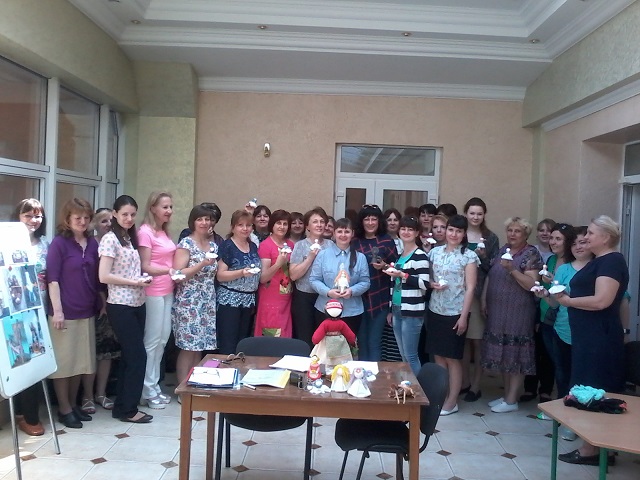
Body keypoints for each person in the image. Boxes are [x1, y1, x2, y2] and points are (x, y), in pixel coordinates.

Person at [554, 216, 629, 466]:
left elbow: (602, 300)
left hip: (600, 338)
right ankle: (599, 447)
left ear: (605, 238)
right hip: (588, 337)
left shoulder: (612, 261)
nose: (586, 237)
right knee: (587, 387)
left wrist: (568, 302)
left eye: (591, 233)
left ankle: (593, 451)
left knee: (595, 388)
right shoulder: (600, 261)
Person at [99, 195, 153, 424]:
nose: (129, 218)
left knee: (131, 357)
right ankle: (128, 410)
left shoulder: (129, 238)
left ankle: (122, 406)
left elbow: (131, 270)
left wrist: (141, 279)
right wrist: (134, 282)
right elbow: (103, 276)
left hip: (137, 302)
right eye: (124, 214)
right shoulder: (110, 239)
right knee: (137, 356)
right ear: (114, 214)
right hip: (120, 304)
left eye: (132, 214)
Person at [47, 198, 101, 428]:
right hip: (65, 312)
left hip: (86, 310)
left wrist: (101, 301)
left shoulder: (92, 243)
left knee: (80, 362)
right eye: (77, 218)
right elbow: (52, 280)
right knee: (64, 364)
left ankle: (73, 404)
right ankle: (64, 408)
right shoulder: (59, 244)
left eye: (86, 218)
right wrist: (57, 311)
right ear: (67, 219)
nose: (82, 221)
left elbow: (97, 277)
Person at [481, 217, 541, 413]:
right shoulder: (503, 250)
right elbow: (491, 275)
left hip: (518, 312)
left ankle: (512, 399)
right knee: (505, 355)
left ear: (526, 234)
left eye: (517, 231)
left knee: (515, 355)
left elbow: (532, 284)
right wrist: (484, 299)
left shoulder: (531, 253)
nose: (512, 234)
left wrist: (512, 269)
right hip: (498, 311)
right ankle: (506, 395)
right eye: (510, 230)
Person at [426, 215, 478, 414]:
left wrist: (464, 317)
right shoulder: (435, 252)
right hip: (435, 309)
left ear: (464, 234)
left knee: (452, 358)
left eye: (458, 231)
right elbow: (428, 278)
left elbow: (471, 287)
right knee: (438, 356)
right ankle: (442, 395)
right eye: (451, 230)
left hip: (456, 312)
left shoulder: (469, 256)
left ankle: (452, 401)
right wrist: (432, 284)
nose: (454, 234)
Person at [522, 223, 574, 404]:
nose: (553, 242)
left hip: (563, 318)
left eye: (558, 239)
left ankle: (557, 398)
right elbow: (546, 289)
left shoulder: (571, 263)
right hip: (545, 313)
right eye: (552, 238)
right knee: (543, 354)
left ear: (568, 242)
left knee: (558, 363)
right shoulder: (551, 260)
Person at [11, 199, 49, 436]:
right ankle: (23, 415)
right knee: (19, 361)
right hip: (14, 311)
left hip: (39, 312)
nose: (33, 221)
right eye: (28, 216)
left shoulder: (45, 244)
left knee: (36, 361)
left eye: (38, 216)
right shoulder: (7, 243)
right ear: (18, 217)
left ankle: (30, 415)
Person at [137, 191, 176, 409]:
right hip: (153, 291)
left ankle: (153, 386)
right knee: (151, 342)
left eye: (170, 207)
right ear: (153, 208)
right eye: (165, 207)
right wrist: (169, 271)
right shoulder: (145, 232)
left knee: (162, 341)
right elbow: (145, 266)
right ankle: (146, 390)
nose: (169, 211)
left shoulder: (164, 232)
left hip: (168, 290)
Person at [172, 204, 218, 385]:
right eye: (200, 219)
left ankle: (194, 386)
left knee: (200, 347)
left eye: (207, 219)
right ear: (193, 222)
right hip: (189, 301)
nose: (204, 222)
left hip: (207, 301)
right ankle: (182, 388)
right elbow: (178, 274)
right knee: (188, 347)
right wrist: (201, 264)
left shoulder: (212, 245)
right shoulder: (186, 244)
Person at [461, 197, 499, 402]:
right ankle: (464, 382)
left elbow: (494, 268)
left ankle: (476, 386)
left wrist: (483, 257)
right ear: (466, 213)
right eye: (472, 213)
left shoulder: (491, 238)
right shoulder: (459, 233)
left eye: (479, 213)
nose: (475, 217)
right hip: (457, 294)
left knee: (477, 341)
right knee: (463, 341)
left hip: (479, 293)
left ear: (484, 215)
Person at [83, 208, 120, 412]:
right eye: (103, 221)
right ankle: (87, 396)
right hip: (92, 303)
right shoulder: (89, 245)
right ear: (95, 224)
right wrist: (101, 301)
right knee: (90, 352)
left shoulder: (118, 242)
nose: (108, 224)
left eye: (110, 220)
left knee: (107, 352)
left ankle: (101, 393)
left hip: (113, 302)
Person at [384, 216, 430, 375]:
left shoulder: (420, 255)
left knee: (411, 356)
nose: (406, 232)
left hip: (412, 311)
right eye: (403, 228)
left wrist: (402, 275)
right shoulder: (400, 255)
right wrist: (390, 310)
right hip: (397, 309)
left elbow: (425, 284)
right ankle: (407, 386)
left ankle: (418, 390)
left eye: (410, 229)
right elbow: (394, 285)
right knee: (403, 355)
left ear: (417, 233)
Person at [310, 218, 370, 335]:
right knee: (325, 344)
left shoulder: (360, 257)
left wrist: (352, 291)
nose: (343, 235)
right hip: (325, 309)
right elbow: (314, 280)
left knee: (349, 344)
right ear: (334, 233)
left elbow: (365, 282)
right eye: (339, 231)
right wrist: (328, 292)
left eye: (347, 231)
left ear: (352, 233)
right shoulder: (322, 255)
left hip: (352, 312)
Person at [352, 205, 397, 361]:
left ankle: (374, 376)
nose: (370, 223)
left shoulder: (387, 241)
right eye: (367, 219)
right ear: (361, 221)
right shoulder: (354, 241)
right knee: (361, 341)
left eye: (374, 219)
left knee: (374, 341)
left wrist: (384, 266)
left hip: (380, 298)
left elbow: (397, 269)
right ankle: (361, 374)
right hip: (358, 298)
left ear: (379, 221)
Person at [216, 210, 261, 353]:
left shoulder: (252, 246)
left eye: (248, 225)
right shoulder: (228, 246)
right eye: (240, 225)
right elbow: (220, 275)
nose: (245, 228)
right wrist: (241, 273)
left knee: (243, 344)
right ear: (233, 227)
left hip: (248, 300)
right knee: (229, 343)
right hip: (230, 300)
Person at [290, 207, 333, 346]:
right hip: (304, 297)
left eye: (322, 221)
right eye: (315, 222)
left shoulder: (331, 245)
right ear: (307, 226)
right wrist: (310, 257)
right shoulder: (300, 245)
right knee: (305, 338)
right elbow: (293, 275)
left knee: (324, 339)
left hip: (325, 297)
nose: (319, 225)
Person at [254, 209, 294, 337]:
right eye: (278, 223)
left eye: (285, 224)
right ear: (272, 225)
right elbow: (263, 278)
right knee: (270, 330)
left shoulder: (291, 245)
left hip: (287, 297)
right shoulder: (266, 245)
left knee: (285, 332)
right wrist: (278, 264)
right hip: (270, 297)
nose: (282, 227)